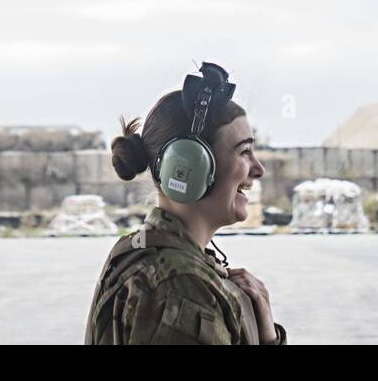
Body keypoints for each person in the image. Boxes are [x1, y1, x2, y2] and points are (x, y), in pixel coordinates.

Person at [84, 62, 285, 344]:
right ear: (191, 167)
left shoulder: (139, 250)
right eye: (244, 152)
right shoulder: (181, 293)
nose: (258, 169)